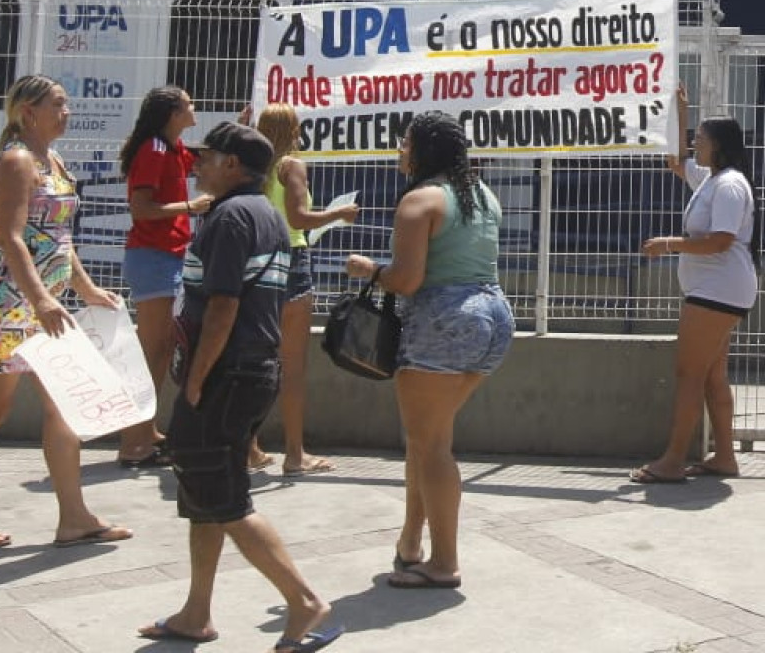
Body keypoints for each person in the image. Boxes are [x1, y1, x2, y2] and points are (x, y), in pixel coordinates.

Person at [142, 122, 340, 651]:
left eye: (206, 157)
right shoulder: (265, 214)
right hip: (249, 371)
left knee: (224, 498)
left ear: (232, 165)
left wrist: (196, 380)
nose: (196, 164)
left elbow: (225, 306)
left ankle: (304, 603)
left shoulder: (230, 217)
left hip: (226, 374)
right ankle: (195, 613)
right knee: (203, 488)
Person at [0, 75, 132, 550]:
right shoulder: (17, 161)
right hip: (10, 309)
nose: (67, 112)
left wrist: (83, 287)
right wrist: (42, 298)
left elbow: (59, 237)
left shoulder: (54, 161)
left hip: (47, 308)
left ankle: (75, 517)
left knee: (65, 403)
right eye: (58, 105)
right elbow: (12, 237)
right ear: (29, 113)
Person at [345, 110, 514, 590]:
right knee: (425, 439)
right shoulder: (482, 194)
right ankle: (411, 544)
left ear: (422, 150)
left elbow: (407, 280)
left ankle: (443, 562)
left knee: (433, 446)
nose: (400, 151)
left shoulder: (419, 201)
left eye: (405, 143)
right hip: (494, 320)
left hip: (443, 323)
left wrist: (368, 270)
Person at [632, 82, 758, 484]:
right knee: (711, 375)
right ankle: (724, 456)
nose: (694, 142)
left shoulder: (729, 185)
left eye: (700, 138)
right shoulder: (710, 179)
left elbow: (721, 240)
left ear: (718, 145)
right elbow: (675, 159)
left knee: (689, 374)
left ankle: (672, 460)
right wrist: (680, 112)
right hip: (714, 290)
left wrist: (669, 244)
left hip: (717, 291)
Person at [251, 102, 359, 476]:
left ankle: (248, 446)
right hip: (292, 259)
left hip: (255, 261)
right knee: (292, 365)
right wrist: (337, 214)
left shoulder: (252, 167)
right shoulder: (290, 166)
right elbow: (298, 217)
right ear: (292, 129)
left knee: (254, 356)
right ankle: (295, 454)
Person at [115, 85, 212, 468]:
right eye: (189, 104)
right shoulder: (154, 150)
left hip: (165, 257)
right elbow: (142, 208)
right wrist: (188, 206)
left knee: (161, 349)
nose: (194, 108)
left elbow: (199, 160)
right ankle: (132, 442)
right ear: (173, 113)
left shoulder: (171, 148)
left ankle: (146, 429)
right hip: (152, 257)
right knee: (150, 351)